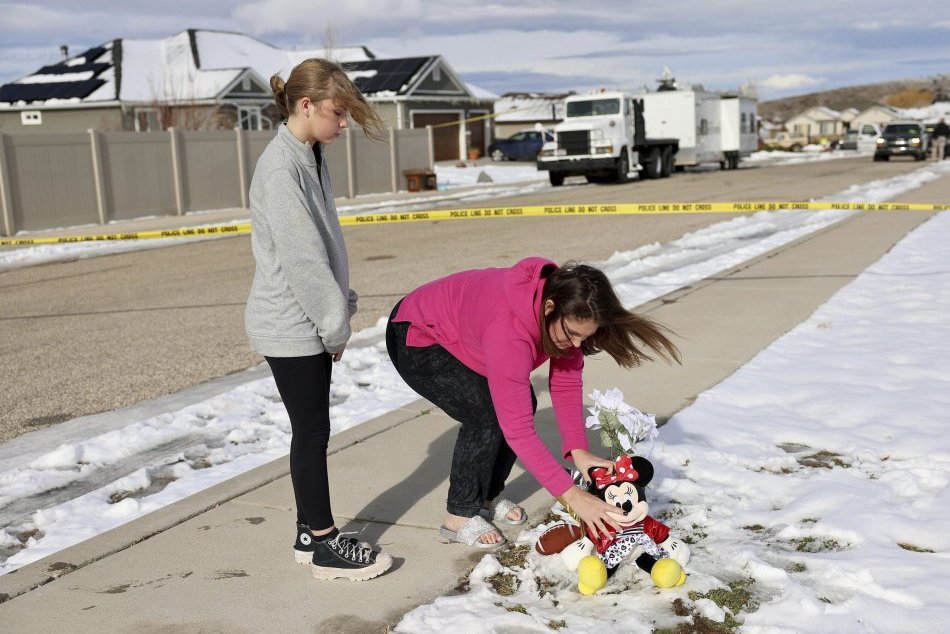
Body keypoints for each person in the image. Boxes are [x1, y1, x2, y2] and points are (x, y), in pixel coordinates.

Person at [385, 258, 681, 548]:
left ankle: (487, 495)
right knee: (485, 414)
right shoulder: (510, 333)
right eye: (573, 335)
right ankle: (459, 515)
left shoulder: (566, 305)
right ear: (550, 308)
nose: (578, 346)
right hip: (416, 334)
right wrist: (572, 496)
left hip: (464, 331)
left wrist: (578, 451)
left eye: (586, 336)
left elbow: (565, 383)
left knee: (519, 400)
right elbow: (518, 430)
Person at [245, 58, 392, 581]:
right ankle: (325, 544)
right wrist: (335, 324)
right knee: (311, 432)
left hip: (306, 317)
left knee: (311, 430)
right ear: (306, 106)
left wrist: (336, 310)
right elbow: (304, 259)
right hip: (291, 321)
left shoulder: (308, 153)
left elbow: (324, 243)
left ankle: (310, 532)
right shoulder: (281, 168)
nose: (344, 123)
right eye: (337, 112)